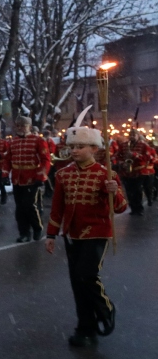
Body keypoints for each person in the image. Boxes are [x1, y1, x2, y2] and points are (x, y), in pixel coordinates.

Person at [45, 122, 126, 347]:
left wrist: (114, 192)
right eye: (73, 146)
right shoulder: (62, 174)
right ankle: (85, 328)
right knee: (77, 283)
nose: (74, 150)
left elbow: (120, 208)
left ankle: (106, 308)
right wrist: (51, 235)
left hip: (97, 233)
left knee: (87, 274)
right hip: (72, 234)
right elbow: (57, 208)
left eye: (80, 146)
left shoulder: (106, 174)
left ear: (94, 148)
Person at [5, 116, 51, 242]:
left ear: (29, 127)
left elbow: (45, 160)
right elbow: (8, 160)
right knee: (19, 208)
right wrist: (5, 174)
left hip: (31, 178)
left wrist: (41, 176)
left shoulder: (38, 140)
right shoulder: (13, 142)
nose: (20, 128)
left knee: (30, 206)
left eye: (23, 125)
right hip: (17, 179)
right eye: (18, 126)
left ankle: (37, 228)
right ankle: (24, 233)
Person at [115, 129, 151, 215]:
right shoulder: (124, 145)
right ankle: (132, 208)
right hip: (126, 172)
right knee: (129, 191)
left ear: (138, 136)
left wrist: (135, 155)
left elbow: (148, 157)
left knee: (137, 191)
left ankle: (139, 208)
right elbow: (117, 155)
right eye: (130, 135)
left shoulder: (144, 145)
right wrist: (121, 163)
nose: (131, 136)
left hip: (138, 171)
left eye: (133, 135)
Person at [42, 130, 57, 197]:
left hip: (50, 161)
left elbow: (52, 150)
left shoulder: (50, 142)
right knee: (47, 177)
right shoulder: (45, 141)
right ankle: (47, 191)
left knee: (49, 177)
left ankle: (50, 191)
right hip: (46, 161)